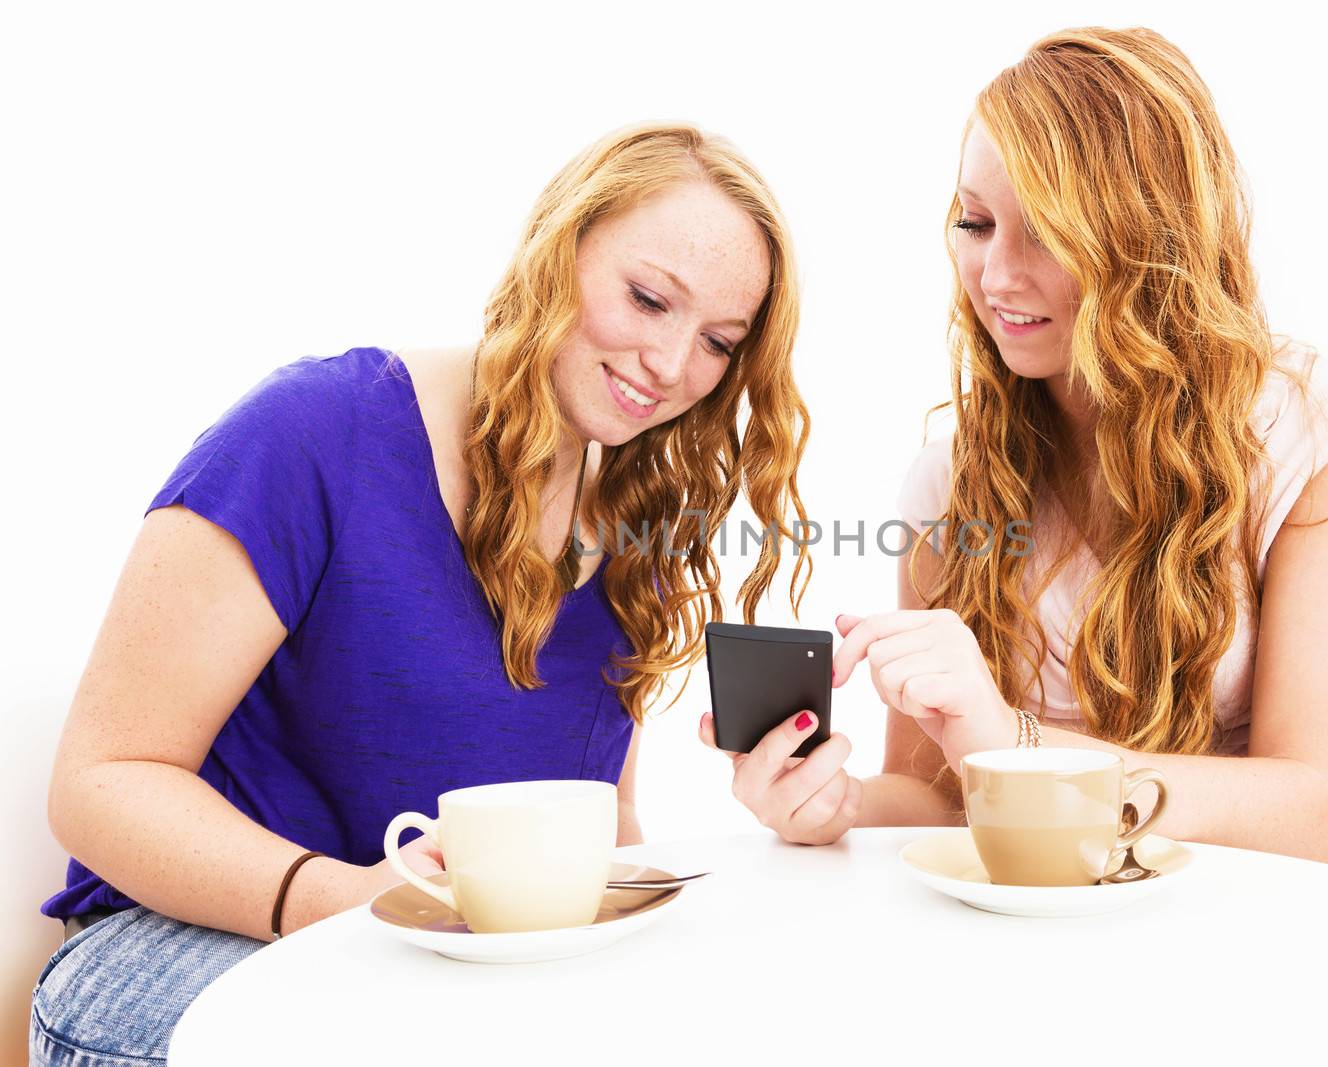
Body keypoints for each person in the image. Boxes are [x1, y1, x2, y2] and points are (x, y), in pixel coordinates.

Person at [32, 122, 811, 1066]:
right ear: (558, 249)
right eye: (648, 299)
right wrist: (342, 900)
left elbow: (600, 826)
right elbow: (102, 781)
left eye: (719, 343)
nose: (671, 364)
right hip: (190, 951)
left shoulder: (632, 527)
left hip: (437, 987)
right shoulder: (320, 431)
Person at [704, 27, 1328, 891]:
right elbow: (943, 795)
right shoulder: (952, 483)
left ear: (1149, 240)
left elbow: (1318, 814)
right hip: (1084, 925)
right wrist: (836, 804)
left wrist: (1013, 747)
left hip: (1317, 916)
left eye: (1048, 234)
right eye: (975, 223)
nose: (995, 274)